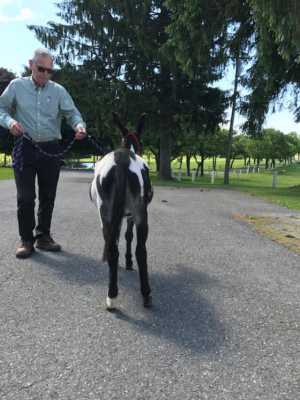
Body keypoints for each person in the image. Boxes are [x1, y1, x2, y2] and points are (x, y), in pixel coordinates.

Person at [0, 48, 87, 258]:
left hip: (51, 148)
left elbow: (72, 113)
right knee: (26, 197)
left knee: (48, 196)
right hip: (25, 147)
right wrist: (10, 122)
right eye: (41, 69)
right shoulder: (16, 86)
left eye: (50, 71)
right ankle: (26, 240)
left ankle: (43, 237)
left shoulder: (58, 91)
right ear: (31, 64)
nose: (45, 74)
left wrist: (79, 126)